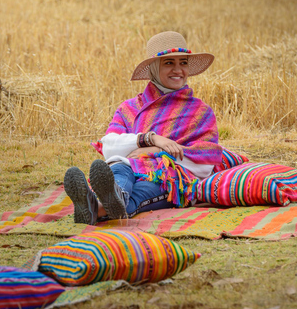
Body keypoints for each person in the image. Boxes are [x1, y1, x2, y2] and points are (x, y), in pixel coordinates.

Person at [63, 31, 222, 225]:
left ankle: (95, 208)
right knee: (120, 168)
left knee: (144, 189)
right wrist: (151, 139)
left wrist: (155, 151)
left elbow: (205, 162)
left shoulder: (201, 112)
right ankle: (109, 200)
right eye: (169, 63)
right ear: (154, 68)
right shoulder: (129, 108)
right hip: (128, 170)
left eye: (183, 62)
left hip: (168, 177)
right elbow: (109, 146)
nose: (178, 69)